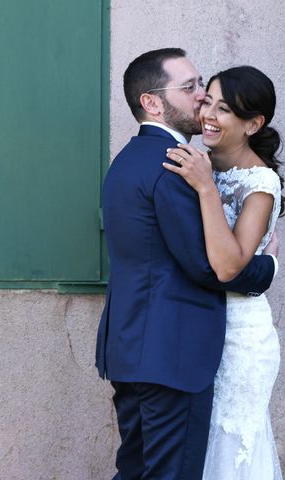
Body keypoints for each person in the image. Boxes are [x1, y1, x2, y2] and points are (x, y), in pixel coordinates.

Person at [95, 48, 278, 479]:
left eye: (203, 86)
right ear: (152, 103)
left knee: (138, 470)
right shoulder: (171, 167)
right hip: (171, 354)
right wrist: (267, 269)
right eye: (192, 87)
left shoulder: (128, 161)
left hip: (134, 349)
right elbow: (209, 266)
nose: (201, 98)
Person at [164, 65, 283, 479]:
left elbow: (230, 265)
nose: (209, 116)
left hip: (242, 342)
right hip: (196, 326)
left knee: (229, 445)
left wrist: (206, 188)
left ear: (253, 123)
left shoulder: (262, 183)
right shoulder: (199, 162)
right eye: (208, 102)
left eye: (225, 109)